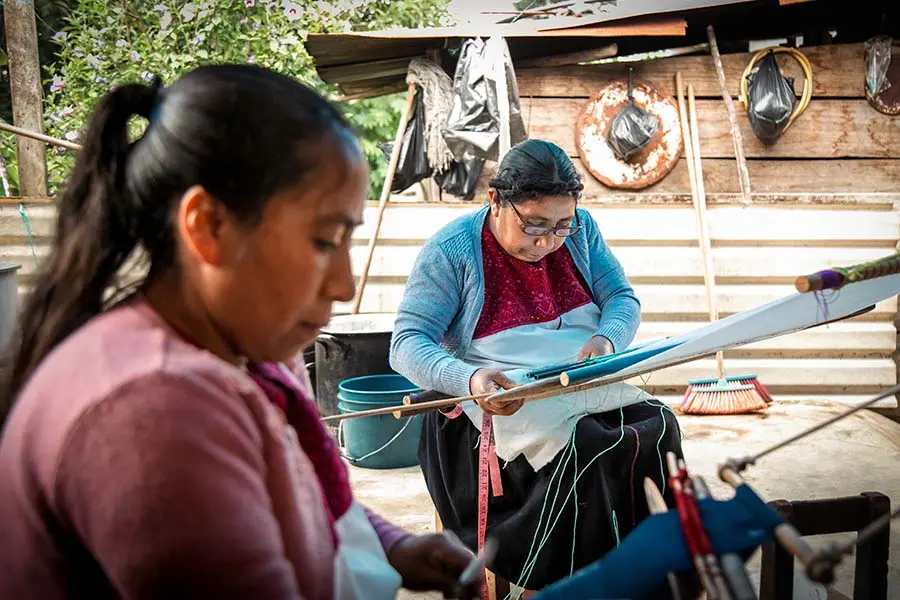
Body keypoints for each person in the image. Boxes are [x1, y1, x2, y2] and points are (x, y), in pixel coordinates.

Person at [0, 65, 482, 600]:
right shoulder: (155, 409)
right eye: (324, 241)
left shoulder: (249, 351)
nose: (345, 286)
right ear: (209, 226)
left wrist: (389, 546)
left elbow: (301, 491)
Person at [390, 139, 685, 591]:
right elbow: (407, 343)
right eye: (534, 225)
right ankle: (567, 582)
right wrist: (469, 379)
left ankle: (646, 575)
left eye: (562, 225)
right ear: (496, 200)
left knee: (657, 425)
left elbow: (620, 298)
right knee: (587, 445)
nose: (548, 242)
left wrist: (607, 339)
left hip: (578, 375)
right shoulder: (451, 250)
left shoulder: (582, 231)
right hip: (495, 392)